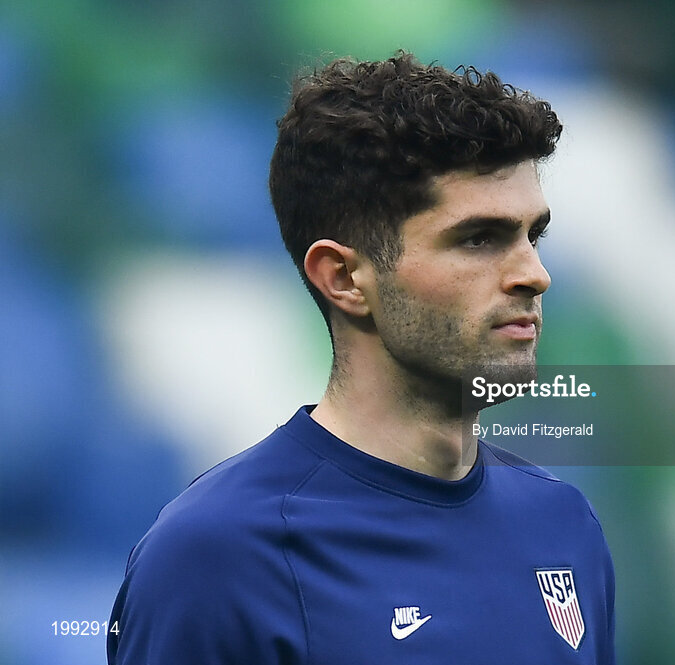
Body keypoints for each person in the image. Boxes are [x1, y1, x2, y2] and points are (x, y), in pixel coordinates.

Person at [108, 52, 615, 664]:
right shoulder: (221, 554)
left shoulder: (563, 523)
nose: (534, 275)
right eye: (479, 239)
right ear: (344, 277)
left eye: (532, 236)